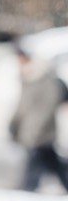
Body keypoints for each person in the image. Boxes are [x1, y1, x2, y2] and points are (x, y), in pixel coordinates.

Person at [10, 45, 68, 192]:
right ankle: (29, 187)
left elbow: (47, 106)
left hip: (40, 129)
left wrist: (37, 128)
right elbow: (23, 104)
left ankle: (28, 188)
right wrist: (14, 123)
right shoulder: (28, 77)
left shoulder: (43, 77)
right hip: (31, 128)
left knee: (37, 159)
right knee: (49, 160)